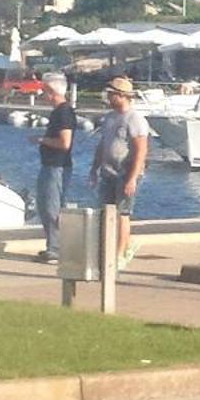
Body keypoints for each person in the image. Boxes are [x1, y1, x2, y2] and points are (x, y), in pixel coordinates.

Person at [89, 76, 151, 273]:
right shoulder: (109, 117)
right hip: (108, 171)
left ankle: (120, 253)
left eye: (112, 94)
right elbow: (103, 144)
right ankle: (106, 249)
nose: (108, 97)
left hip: (126, 172)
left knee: (123, 213)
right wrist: (94, 168)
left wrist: (132, 178)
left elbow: (141, 150)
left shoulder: (134, 120)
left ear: (122, 96)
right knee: (106, 212)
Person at [33, 72, 76, 264]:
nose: (42, 94)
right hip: (50, 165)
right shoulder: (58, 112)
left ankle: (56, 248)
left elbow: (65, 142)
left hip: (57, 166)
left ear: (51, 91)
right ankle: (52, 244)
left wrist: (42, 140)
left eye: (44, 91)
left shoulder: (64, 112)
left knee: (52, 206)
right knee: (45, 205)